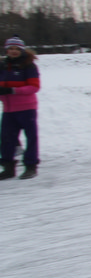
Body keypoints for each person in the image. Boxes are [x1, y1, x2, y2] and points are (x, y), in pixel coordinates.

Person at [0, 36, 40, 180]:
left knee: (31, 137)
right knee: (6, 139)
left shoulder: (28, 65)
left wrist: (12, 90)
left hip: (26, 108)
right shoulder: (3, 66)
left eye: (17, 49)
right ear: (7, 50)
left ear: (22, 50)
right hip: (8, 109)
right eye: (11, 48)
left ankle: (31, 166)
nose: (14, 51)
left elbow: (34, 87)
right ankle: (8, 167)